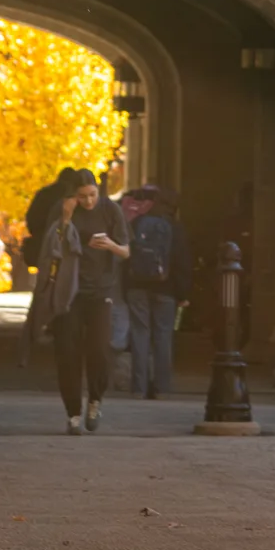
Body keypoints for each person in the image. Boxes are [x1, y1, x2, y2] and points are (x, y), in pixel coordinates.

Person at [49, 170, 129, 434]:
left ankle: (95, 399)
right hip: (70, 290)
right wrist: (68, 216)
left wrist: (110, 246)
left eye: (92, 195)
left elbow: (126, 251)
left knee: (99, 348)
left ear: (98, 190)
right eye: (82, 196)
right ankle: (72, 412)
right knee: (68, 353)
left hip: (101, 290)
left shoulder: (111, 211)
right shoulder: (65, 210)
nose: (88, 201)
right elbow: (53, 245)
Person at [125, 186, 191, 399]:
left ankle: (138, 387)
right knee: (163, 336)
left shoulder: (138, 223)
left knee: (139, 335)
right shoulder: (175, 228)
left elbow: (127, 254)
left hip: (137, 287)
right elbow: (182, 263)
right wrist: (183, 294)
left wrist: (126, 286)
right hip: (166, 289)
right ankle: (162, 388)